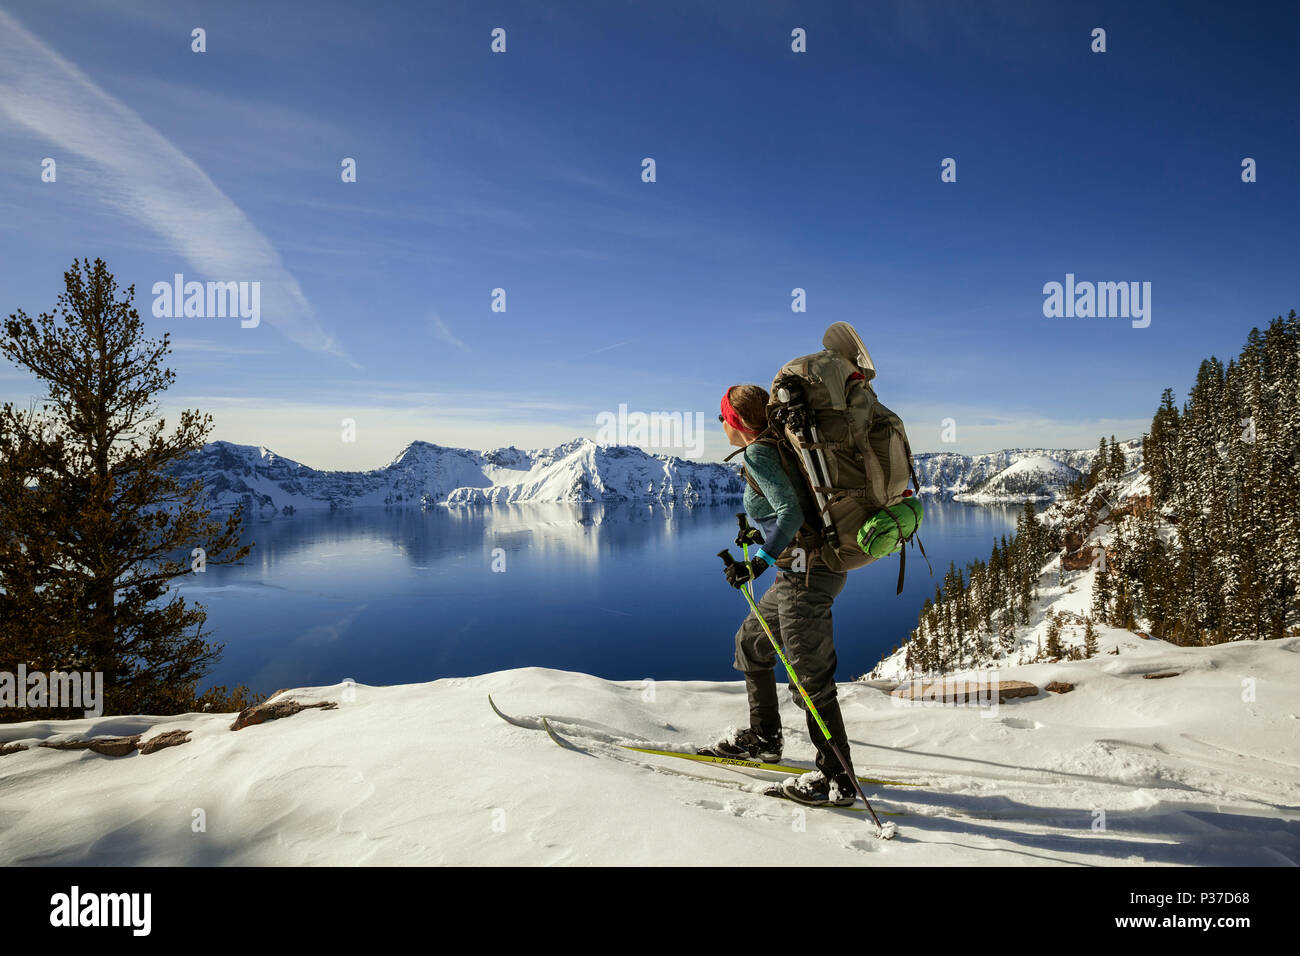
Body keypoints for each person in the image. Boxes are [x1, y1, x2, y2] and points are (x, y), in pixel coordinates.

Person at [701, 384, 858, 806]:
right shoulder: (778, 447)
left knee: (810, 678)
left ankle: (837, 780)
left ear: (736, 422)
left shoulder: (760, 452)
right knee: (752, 643)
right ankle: (765, 737)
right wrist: (763, 535)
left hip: (806, 576)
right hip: (800, 570)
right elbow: (795, 508)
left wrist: (759, 560)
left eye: (723, 417)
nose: (720, 424)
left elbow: (790, 510)